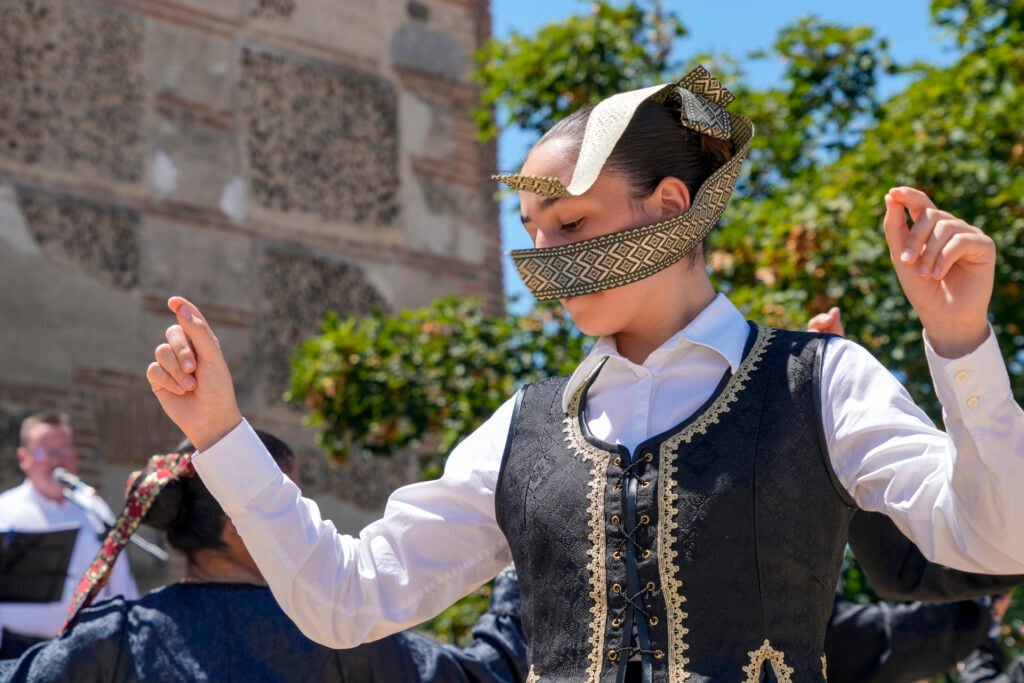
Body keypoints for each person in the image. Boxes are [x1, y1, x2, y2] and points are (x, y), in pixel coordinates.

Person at [145, 66, 1024, 680]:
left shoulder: (821, 381)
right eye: (530, 232)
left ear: (671, 208)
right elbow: (346, 600)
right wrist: (222, 434)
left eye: (569, 223)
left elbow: (995, 541)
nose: (543, 257)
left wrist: (960, 343)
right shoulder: (521, 429)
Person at [0, 430, 527, 682]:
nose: (308, 518)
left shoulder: (112, 641)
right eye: (291, 501)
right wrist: (527, 552)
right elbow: (492, 674)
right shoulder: (343, 636)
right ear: (240, 520)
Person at [0, 413, 138, 658]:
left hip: (86, 652)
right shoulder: (5, 511)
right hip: (18, 654)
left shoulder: (93, 508)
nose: (58, 461)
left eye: (65, 451)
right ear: (24, 458)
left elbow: (120, 580)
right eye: (48, 452)